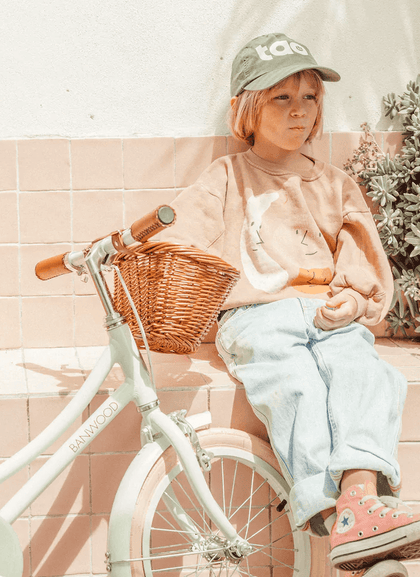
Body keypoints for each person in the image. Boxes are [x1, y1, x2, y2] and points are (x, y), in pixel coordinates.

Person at [162, 32, 420, 571]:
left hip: (326, 312)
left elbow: (361, 260)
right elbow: (179, 236)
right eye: (281, 97)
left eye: (309, 97)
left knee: (367, 373)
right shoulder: (227, 177)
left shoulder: (335, 185)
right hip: (256, 316)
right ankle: (338, 518)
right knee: (295, 385)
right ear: (246, 111)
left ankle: (360, 499)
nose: (299, 110)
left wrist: (353, 303)